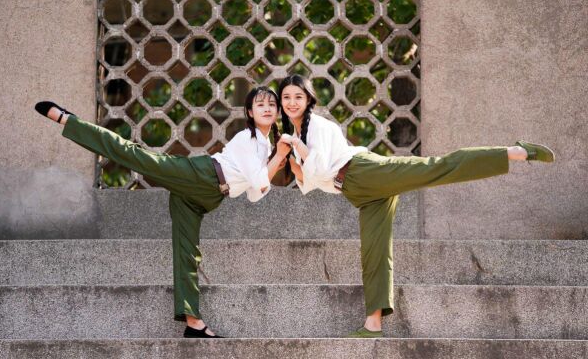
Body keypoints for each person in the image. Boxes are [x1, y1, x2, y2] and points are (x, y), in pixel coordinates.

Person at [276, 74, 555, 338]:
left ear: (309, 99)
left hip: (365, 172)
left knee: (438, 167)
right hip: (357, 192)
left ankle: (513, 152)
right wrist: (289, 159)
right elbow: (308, 181)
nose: (291, 102)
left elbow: (322, 167)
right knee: (374, 251)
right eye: (286, 97)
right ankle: (373, 323)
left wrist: (296, 147)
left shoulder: (320, 127)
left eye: (297, 96)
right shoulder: (299, 133)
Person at [34, 86, 291, 338]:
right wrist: (278, 158)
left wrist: (276, 158)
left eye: (271, 105)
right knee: (134, 155)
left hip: (209, 197)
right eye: (260, 104)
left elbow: (255, 194)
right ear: (249, 111)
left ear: (278, 111)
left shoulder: (267, 147)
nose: (267, 108)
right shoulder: (248, 138)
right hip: (201, 175)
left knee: (188, 253)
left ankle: (194, 324)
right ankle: (70, 120)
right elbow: (260, 182)